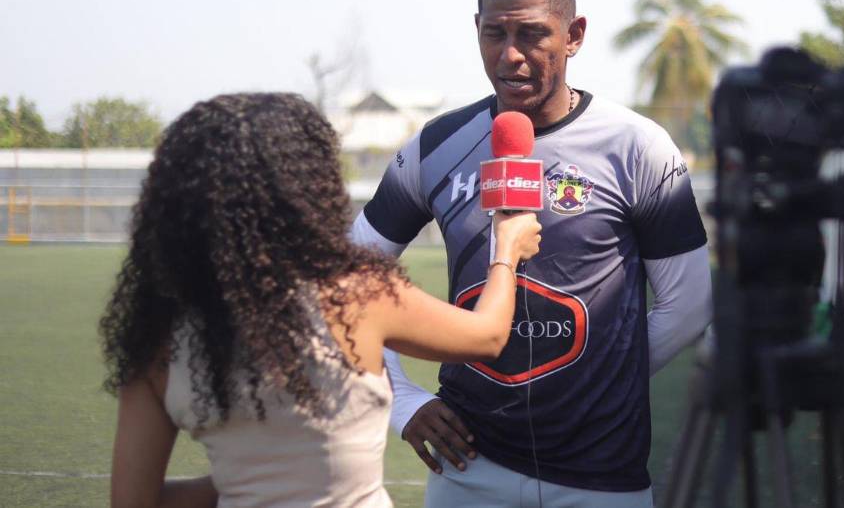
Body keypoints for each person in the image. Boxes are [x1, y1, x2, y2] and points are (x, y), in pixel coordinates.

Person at [351, 0, 713, 505]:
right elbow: (347, 280)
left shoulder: (638, 146)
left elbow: (687, 306)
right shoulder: (437, 146)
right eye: (494, 34)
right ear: (476, 30)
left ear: (575, 35)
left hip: (601, 474)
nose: (511, 55)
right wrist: (404, 401)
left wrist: (600, 381)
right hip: (466, 466)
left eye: (533, 34)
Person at [101, 93, 542, 508]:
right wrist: (506, 249)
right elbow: (486, 336)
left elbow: (132, 502)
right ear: (307, 193)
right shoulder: (353, 298)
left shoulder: (158, 346)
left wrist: (244, 481)